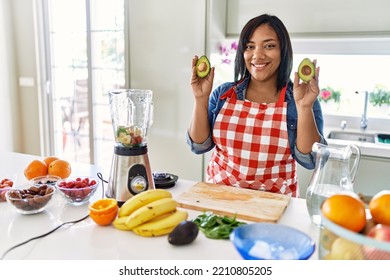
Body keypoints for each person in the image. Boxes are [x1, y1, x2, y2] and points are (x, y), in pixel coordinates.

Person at [186, 14, 327, 197]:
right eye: (250, 46)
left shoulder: (299, 99)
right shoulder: (224, 94)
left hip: (274, 206)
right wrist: (200, 99)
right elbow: (199, 146)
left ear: (283, 51)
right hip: (219, 200)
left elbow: (310, 160)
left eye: (269, 46)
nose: (257, 55)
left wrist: (305, 107)